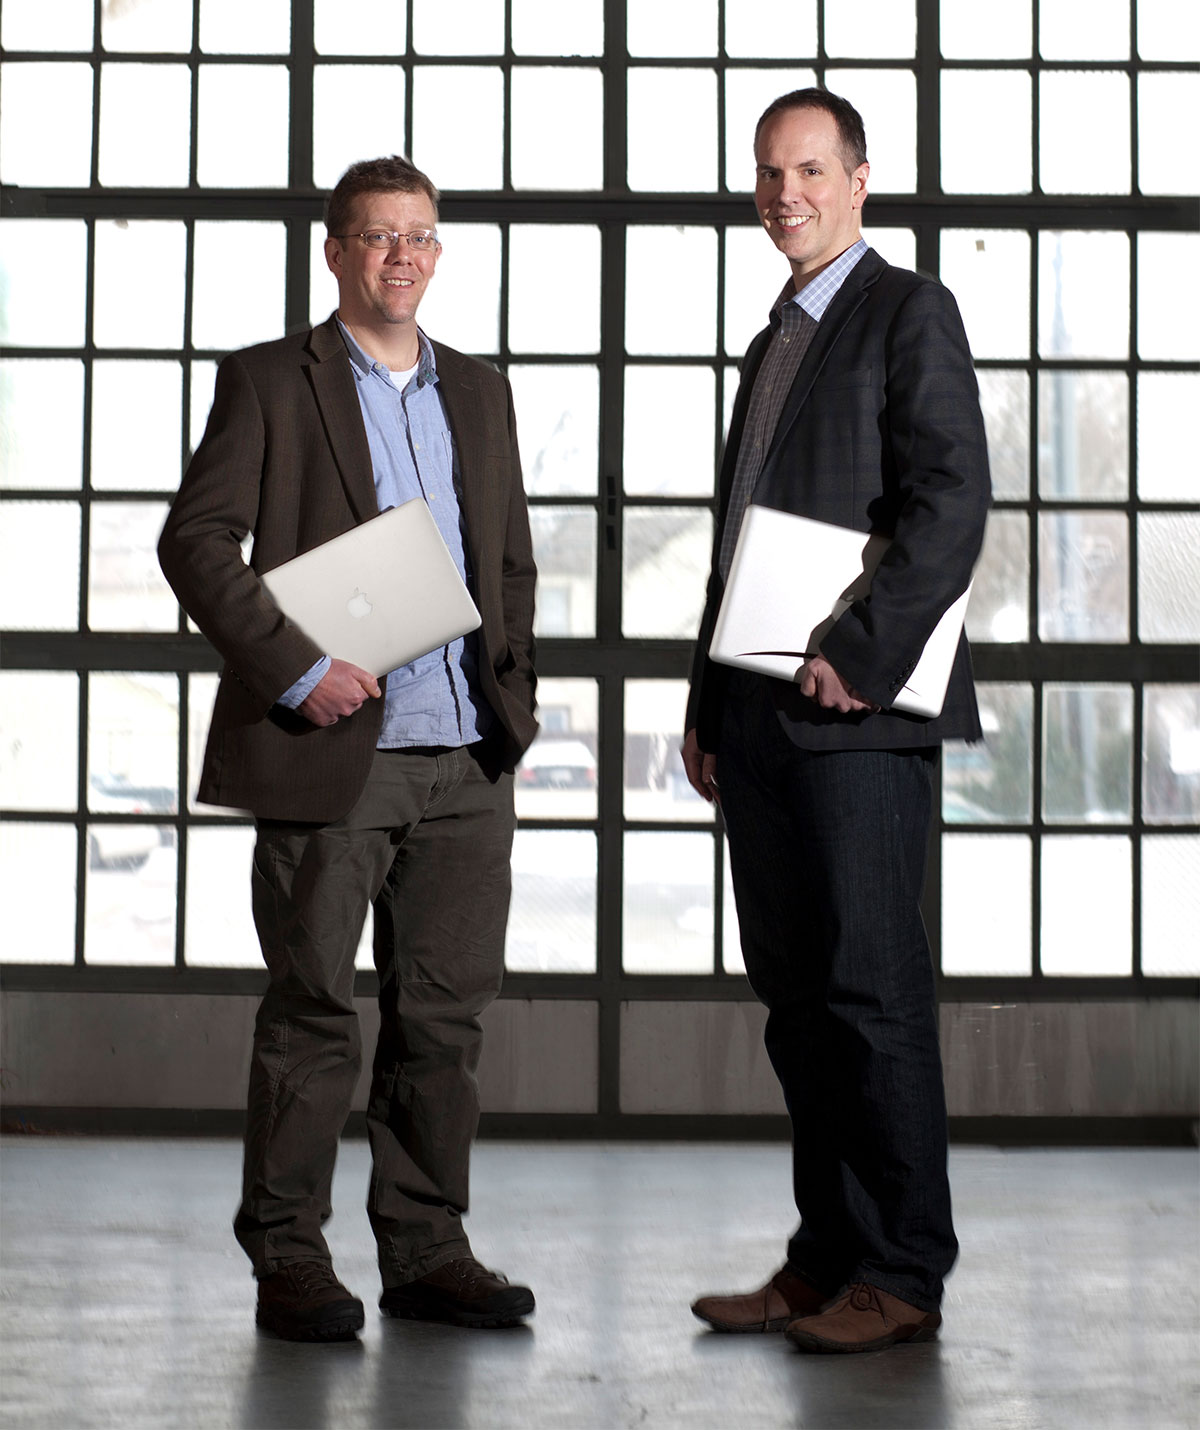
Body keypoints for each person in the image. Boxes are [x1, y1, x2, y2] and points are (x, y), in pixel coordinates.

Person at [158, 155, 538, 1342]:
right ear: (335, 252)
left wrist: (513, 701)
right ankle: (290, 1260)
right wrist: (300, 666)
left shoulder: (479, 391)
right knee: (314, 1012)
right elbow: (197, 542)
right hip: (341, 755)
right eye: (377, 237)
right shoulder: (274, 380)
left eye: (419, 237)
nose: (401, 258)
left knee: (443, 1022)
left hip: (465, 756)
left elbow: (507, 559)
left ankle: (427, 1249)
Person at [682, 89, 990, 1354]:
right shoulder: (773, 341)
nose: (785, 191)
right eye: (767, 171)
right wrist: (704, 705)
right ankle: (826, 1257)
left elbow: (950, 504)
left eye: (810, 168)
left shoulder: (910, 310)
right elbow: (738, 546)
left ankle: (905, 1267)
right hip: (756, 722)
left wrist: (859, 654)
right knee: (798, 1001)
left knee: (874, 994)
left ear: (860, 180)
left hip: (857, 719)